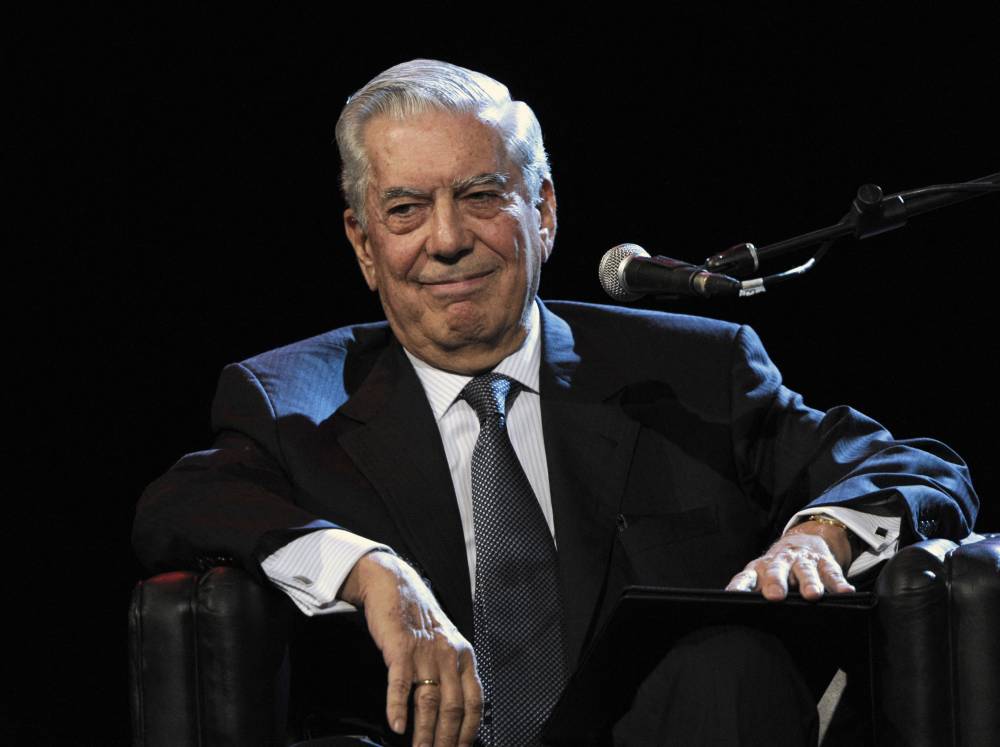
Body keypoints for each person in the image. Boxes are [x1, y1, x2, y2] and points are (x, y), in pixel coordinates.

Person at [133, 59, 978, 747]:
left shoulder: (686, 371)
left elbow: (912, 465)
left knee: (734, 664)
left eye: (479, 195)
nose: (447, 238)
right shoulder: (292, 400)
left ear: (542, 210)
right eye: (405, 208)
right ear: (363, 243)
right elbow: (182, 502)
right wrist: (368, 568)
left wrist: (818, 531)